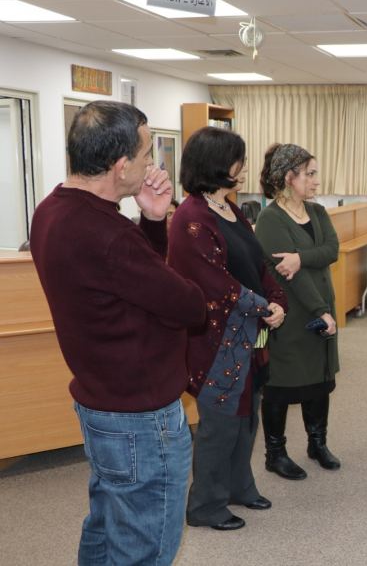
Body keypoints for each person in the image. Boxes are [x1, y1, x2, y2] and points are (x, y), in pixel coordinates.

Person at [29, 100, 206, 564]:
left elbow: (129, 283)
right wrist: (152, 228)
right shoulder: (107, 234)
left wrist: (152, 219)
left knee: (107, 527)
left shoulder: (51, 210)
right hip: (139, 417)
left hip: (101, 402)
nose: (152, 166)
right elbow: (188, 305)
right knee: (144, 547)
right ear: (121, 165)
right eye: (147, 155)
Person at [168, 127, 288, 531]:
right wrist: (264, 306)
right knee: (220, 424)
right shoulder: (190, 218)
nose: (244, 167)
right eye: (238, 160)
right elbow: (216, 283)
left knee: (247, 415)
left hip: (249, 332)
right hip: (217, 340)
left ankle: (239, 486)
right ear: (217, 165)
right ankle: (205, 505)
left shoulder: (229, 209)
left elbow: (257, 264)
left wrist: (277, 300)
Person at [255, 143, 342, 480]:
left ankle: (317, 444)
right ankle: (275, 454)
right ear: (289, 177)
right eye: (310, 174)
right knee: (281, 385)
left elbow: (331, 250)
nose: (316, 180)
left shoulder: (317, 212)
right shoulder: (270, 219)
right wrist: (321, 310)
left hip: (322, 309)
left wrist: (301, 257)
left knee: (320, 380)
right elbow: (289, 274)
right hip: (290, 315)